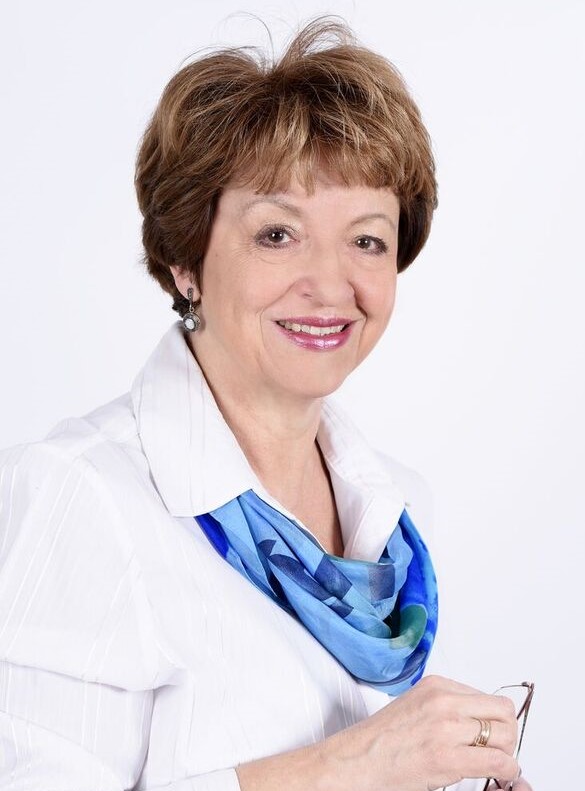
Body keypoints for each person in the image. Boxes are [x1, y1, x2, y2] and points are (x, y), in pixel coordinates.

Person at [0, 18, 531, 791]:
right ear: (184, 261)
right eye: (278, 234)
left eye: (366, 240)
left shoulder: (398, 511)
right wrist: (353, 765)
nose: (329, 283)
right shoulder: (82, 494)